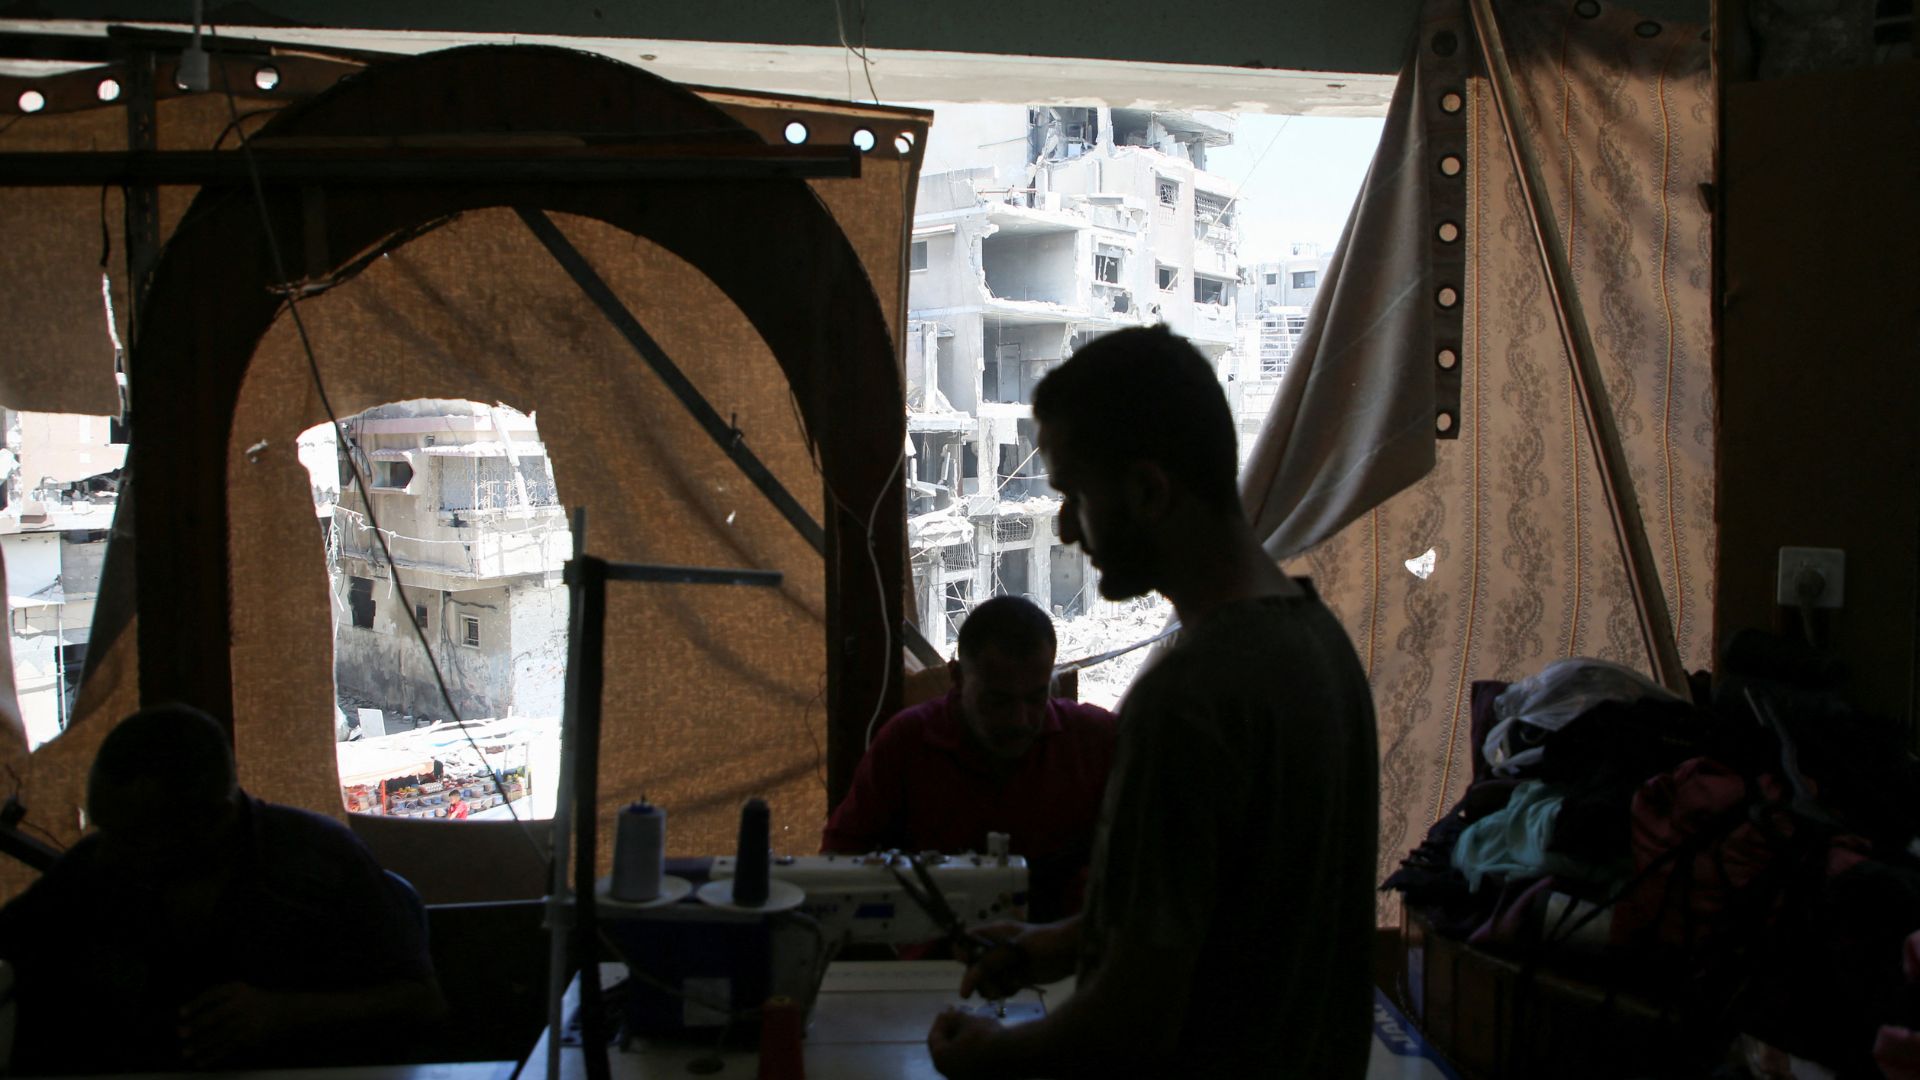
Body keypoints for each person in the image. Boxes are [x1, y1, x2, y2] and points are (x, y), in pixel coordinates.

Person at [927, 326, 1380, 1078]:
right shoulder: (1317, 645)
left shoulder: (1189, 700)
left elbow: (1129, 1023)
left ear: (1147, 491)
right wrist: (1070, 939)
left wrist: (988, 1056)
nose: (1068, 527)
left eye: (1075, 494)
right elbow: (1241, 915)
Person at [0, 704, 447, 1073]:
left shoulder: (317, 862)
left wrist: (285, 1014)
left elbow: (421, 1001)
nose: (111, 851)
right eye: (107, 829)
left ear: (214, 819)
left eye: (140, 836)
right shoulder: (98, 868)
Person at [823, 595, 1116, 922]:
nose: (1020, 719)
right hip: (938, 959)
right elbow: (840, 862)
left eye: (1036, 699)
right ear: (957, 676)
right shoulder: (906, 744)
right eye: (998, 701)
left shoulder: (1095, 739)